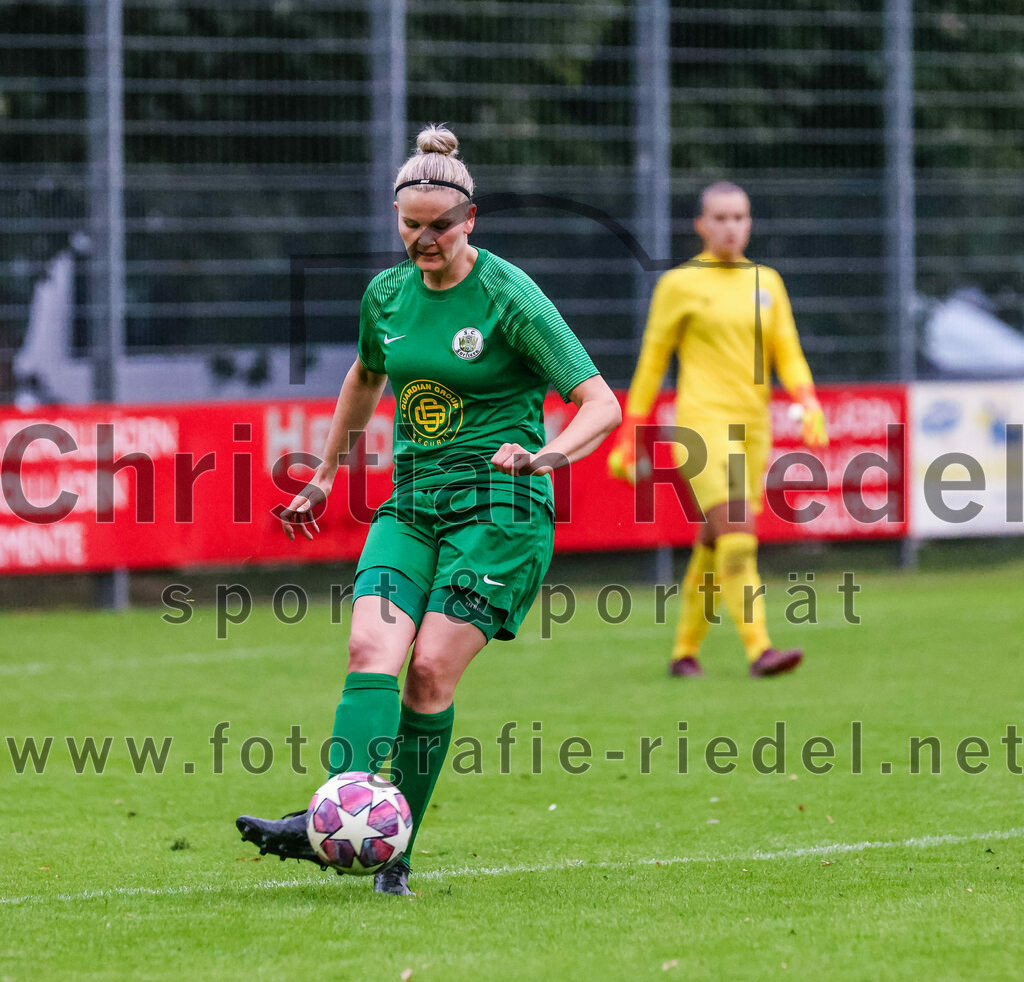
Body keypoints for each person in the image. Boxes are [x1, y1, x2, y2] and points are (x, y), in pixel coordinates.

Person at [236, 124, 620, 894]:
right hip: (412, 505)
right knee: (368, 650)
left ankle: (393, 853)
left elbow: (601, 403)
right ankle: (334, 818)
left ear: (470, 219)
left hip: (500, 512)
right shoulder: (386, 296)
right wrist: (324, 474)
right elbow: (364, 377)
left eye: (440, 226)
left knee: (429, 671)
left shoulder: (509, 296)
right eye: (410, 225)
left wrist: (545, 455)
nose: (424, 240)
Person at [608, 181, 828, 679]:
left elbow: (788, 351)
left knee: (715, 541)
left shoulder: (767, 282)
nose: (731, 227)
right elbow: (652, 363)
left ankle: (684, 652)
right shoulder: (679, 284)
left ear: (750, 223)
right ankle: (760, 650)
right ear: (701, 225)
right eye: (721, 218)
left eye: (739, 217)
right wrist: (630, 433)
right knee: (739, 534)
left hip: (754, 428)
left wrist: (807, 399)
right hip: (702, 426)